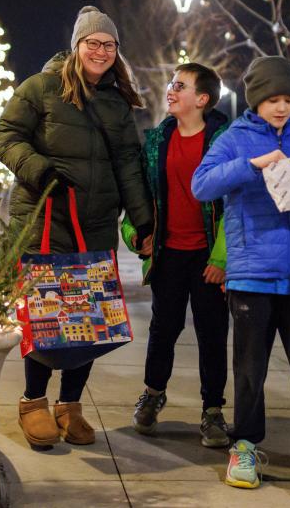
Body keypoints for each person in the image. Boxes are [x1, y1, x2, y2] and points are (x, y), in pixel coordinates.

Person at [192, 55, 290, 505]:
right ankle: (244, 448)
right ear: (254, 99)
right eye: (272, 99)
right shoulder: (235, 138)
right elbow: (201, 185)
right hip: (250, 274)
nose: (280, 107)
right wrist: (252, 165)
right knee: (249, 369)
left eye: (287, 99)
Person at [0, 5, 154, 449]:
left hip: (97, 223)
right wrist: (40, 170)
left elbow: (128, 165)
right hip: (46, 219)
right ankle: (32, 402)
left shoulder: (117, 102)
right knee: (48, 314)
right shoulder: (42, 88)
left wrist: (143, 221)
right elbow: (7, 135)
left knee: (88, 319)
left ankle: (69, 405)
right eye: (92, 43)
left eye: (108, 44)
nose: (100, 51)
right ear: (76, 46)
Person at [121, 62, 232, 448]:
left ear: (202, 99)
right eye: (171, 83)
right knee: (162, 329)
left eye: (180, 85)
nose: (171, 89)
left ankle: (213, 411)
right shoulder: (156, 142)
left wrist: (222, 258)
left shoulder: (224, 141)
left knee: (212, 334)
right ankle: (152, 395)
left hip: (207, 258)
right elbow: (137, 198)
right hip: (168, 255)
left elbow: (235, 206)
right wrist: (138, 235)